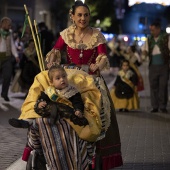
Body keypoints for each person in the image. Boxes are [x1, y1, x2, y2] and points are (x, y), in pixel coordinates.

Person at [44, 1, 123, 169]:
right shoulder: (66, 34)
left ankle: (96, 156)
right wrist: (51, 61)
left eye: (86, 15)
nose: (83, 18)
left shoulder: (97, 35)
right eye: (79, 15)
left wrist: (98, 65)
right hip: (71, 80)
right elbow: (55, 51)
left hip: (92, 80)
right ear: (72, 16)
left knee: (100, 114)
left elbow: (103, 55)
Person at [9, 64, 88, 128]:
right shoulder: (50, 91)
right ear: (51, 82)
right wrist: (40, 103)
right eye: (58, 78)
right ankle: (26, 122)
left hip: (66, 112)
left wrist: (78, 110)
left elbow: (78, 102)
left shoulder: (72, 90)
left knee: (58, 108)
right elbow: (42, 98)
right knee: (38, 108)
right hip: (49, 111)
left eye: (64, 76)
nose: (62, 79)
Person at [141, 21, 170, 113]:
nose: (152, 32)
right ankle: (155, 106)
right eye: (151, 30)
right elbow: (144, 50)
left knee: (163, 86)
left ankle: (163, 106)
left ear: (158, 29)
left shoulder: (166, 37)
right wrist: (144, 54)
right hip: (153, 65)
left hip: (164, 65)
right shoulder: (149, 39)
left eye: (153, 30)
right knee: (153, 86)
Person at [0, 17, 19, 101]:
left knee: (7, 76)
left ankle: (4, 94)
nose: (10, 26)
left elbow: (12, 44)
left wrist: (16, 55)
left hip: (7, 57)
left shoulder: (10, 33)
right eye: (8, 25)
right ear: (3, 24)